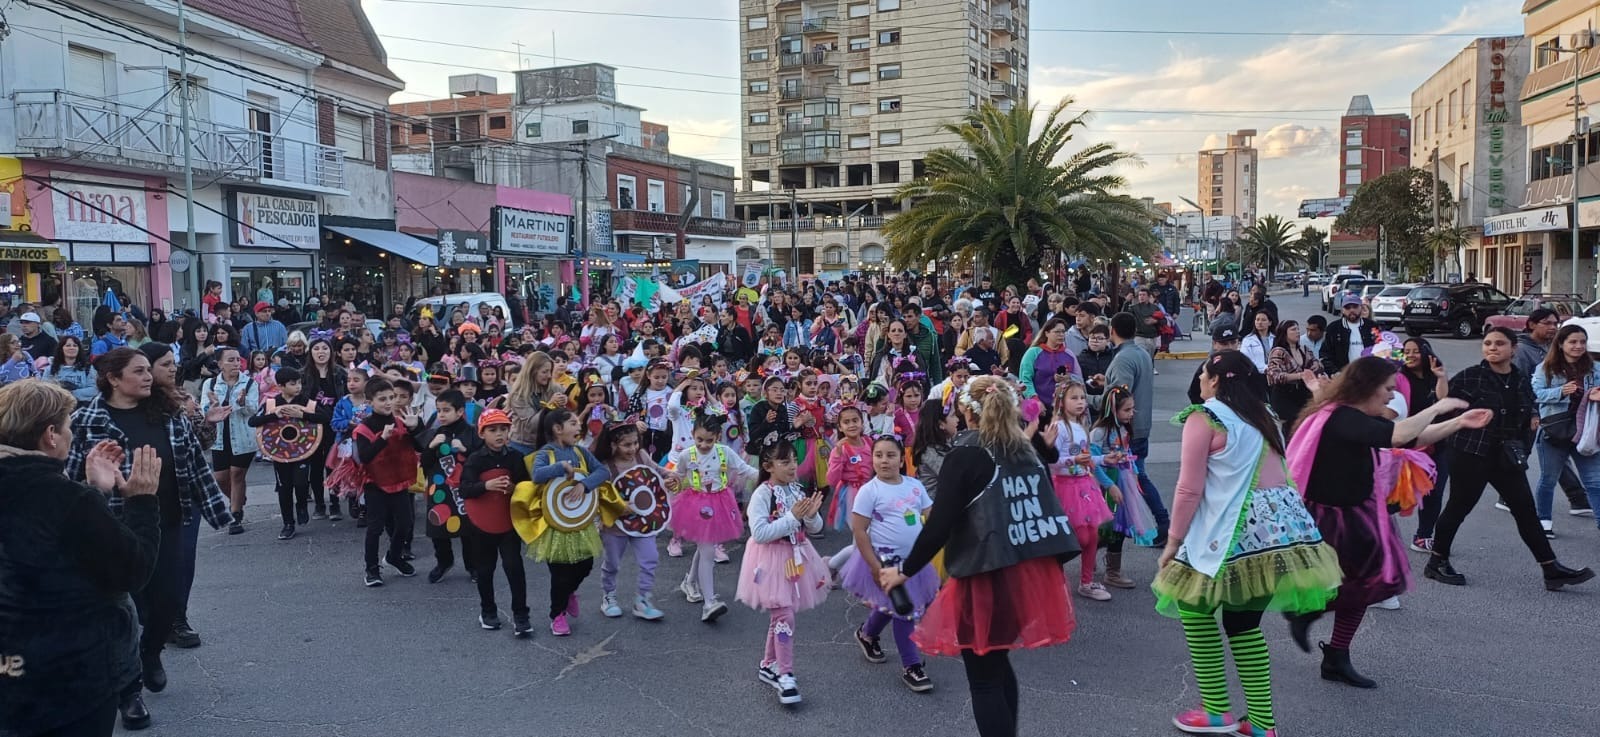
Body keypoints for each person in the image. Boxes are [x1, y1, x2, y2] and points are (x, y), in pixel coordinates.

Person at [878, 375, 1078, 737]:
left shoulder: (966, 454)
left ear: (967, 413)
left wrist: (903, 572)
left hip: (986, 574)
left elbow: (940, 523)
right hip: (1028, 573)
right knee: (998, 664)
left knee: (984, 678)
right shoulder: (1024, 449)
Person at [1154, 351, 1341, 737]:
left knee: (1192, 608)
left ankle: (1217, 710)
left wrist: (1173, 542)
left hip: (1230, 532)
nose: (1201, 381)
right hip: (1280, 536)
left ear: (1217, 380)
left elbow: (1189, 488)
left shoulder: (1204, 416)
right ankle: (1260, 724)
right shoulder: (1263, 415)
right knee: (1243, 625)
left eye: (1204, 374)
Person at [1285, 356, 1498, 688]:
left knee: (1369, 584)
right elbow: (1399, 435)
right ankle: (1310, 619)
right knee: (1359, 583)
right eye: (1386, 389)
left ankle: (1335, 654)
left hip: (1357, 511)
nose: (1389, 396)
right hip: (1329, 518)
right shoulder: (1339, 417)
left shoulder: (1352, 416)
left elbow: (1409, 436)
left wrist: (1458, 423)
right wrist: (1439, 407)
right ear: (1366, 387)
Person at [66, 348, 232, 730]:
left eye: (148, 370)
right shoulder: (87, 419)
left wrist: (217, 510)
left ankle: (151, 650)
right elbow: (70, 479)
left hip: (169, 519)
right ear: (112, 377)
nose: (148, 377)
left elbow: (193, 462)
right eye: (138, 371)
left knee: (168, 601)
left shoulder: (169, 413)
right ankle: (129, 692)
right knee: (126, 611)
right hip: (115, 528)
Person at [0, 380, 165, 736]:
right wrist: (141, 501)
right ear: (50, 435)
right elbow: (132, 570)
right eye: (68, 427)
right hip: (67, 676)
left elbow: (45, 547)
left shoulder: (66, 498)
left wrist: (94, 492)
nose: (71, 435)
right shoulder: (63, 498)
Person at [1424, 327, 1595, 591]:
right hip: (1470, 453)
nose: (1492, 348)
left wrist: (1528, 433)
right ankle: (1437, 562)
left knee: (1526, 511)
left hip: (1505, 456)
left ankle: (1551, 568)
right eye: (1488, 343)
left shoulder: (1518, 378)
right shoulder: (1473, 377)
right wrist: (1442, 383)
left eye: (1499, 344)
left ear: (1513, 349)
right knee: (1460, 506)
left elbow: (1526, 412)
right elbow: (1441, 407)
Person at [841, 435, 938, 692]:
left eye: (890, 455)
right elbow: (860, 532)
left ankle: (867, 634)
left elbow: (932, 516)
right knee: (905, 612)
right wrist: (874, 567)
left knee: (894, 605)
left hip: (914, 562)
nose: (884, 461)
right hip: (886, 562)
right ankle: (911, 666)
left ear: (901, 458)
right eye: (878, 455)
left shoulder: (914, 486)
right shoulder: (869, 491)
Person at [736, 441, 830, 706]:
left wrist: (810, 516)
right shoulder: (762, 494)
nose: (792, 466)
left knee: (780, 612)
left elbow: (814, 527)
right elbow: (760, 533)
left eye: (793, 460)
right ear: (768, 466)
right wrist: (791, 517)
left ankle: (768, 664)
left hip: (796, 558)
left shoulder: (796, 489)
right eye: (784, 461)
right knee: (784, 613)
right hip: (769, 560)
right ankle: (786, 674)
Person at [524, 408, 614, 636]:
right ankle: (557, 615)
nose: (578, 427)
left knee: (585, 565)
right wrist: (559, 468)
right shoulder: (546, 452)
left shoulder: (581, 452)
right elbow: (537, 475)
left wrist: (585, 485)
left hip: (580, 522)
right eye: (573, 423)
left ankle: (570, 592)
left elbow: (602, 472)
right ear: (557, 429)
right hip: (554, 525)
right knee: (560, 573)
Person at [671, 414, 758, 623]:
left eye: (709, 440)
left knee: (705, 547)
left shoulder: (725, 452)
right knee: (708, 550)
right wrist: (671, 483)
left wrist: (771, 478)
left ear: (718, 437)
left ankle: (690, 581)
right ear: (692, 435)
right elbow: (677, 476)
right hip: (695, 506)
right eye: (699, 439)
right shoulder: (686, 455)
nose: (703, 444)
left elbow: (745, 470)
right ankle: (709, 602)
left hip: (719, 503)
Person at [1510, 310, 1594, 519]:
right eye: (1547, 323)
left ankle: (1578, 499)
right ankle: (1518, 502)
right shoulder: (1528, 355)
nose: (1552, 327)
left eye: (1555, 323)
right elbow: (1525, 387)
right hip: (1545, 420)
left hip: (1578, 426)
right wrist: (1533, 411)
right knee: (1536, 464)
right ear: (1531, 324)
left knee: (1582, 474)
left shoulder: (1591, 368)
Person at [459, 408, 533, 636]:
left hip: (508, 522)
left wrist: (515, 488)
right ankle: (488, 610)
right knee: (485, 569)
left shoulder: (515, 457)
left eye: (503, 429)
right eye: (492, 430)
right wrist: (485, 486)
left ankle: (521, 614)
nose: (499, 434)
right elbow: (464, 490)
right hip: (481, 524)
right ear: (482, 434)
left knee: (514, 568)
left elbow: (526, 486)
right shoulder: (475, 459)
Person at [1044, 379, 1118, 600]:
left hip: (1085, 487)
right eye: (1074, 398)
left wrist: (1104, 458)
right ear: (1061, 401)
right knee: (1077, 537)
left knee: (1092, 535)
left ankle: (1086, 582)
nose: (1080, 402)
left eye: (1082, 398)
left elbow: (1086, 458)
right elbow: (1052, 462)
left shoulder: (1082, 425)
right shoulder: (1059, 427)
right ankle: (1054, 581)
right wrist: (1074, 459)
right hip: (1065, 488)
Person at [1102, 312, 1170, 545]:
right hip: (1140, 425)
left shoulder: (1123, 358)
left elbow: (1119, 397)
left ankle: (1161, 524)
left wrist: (1091, 398)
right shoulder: (1140, 352)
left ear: (1112, 330)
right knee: (1137, 477)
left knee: (1138, 478)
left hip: (1129, 429)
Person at [1528, 325, 1600, 537]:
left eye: (1582, 342)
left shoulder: (1594, 368)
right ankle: (1544, 521)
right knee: (1548, 479)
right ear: (1561, 344)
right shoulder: (1546, 368)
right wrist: (1560, 391)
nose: (1578, 346)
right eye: (1572, 342)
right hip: (1555, 431)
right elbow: (1534, 393)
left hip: (1586, 431)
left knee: (1594, 481)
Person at [353, 376, 424, 587]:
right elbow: (364, 457)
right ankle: (372, 569)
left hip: (400, 481)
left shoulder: (402, 421)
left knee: (405, 523)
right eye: (382, 398)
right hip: (375, 483)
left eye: (391, 397)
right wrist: (381, 439)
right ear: (369, 402)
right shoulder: (363, 428)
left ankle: (394, 556)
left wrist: (415, 428)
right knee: (375, 527)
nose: (388, 402)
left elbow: (420, 447)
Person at [247, 367, 329, 541]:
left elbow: (325, 417)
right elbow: (253, 421)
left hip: (303, 452)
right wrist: (272, 416)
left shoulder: (307, 402)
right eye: (293, 384)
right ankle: (288, 523)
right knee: (284, 488)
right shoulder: (271, 403)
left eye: (299, 383)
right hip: (280, 454)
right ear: (281, 386)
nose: (298, 386)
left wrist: (303, 414)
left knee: (300, 483)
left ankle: (301, 505)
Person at [199, 347, 258, 534]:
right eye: (230, 360)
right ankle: (238, 499)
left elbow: (254, 409)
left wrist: (243, 403)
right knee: (221, 478)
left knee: (237, 473)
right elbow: (203, 409)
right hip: (219, 437)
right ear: (220, 364)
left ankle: (236, 514)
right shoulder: (210, 383)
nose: (235, 364)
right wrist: (212, 406)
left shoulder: (249, 383)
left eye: (237, 360)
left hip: (243, 436)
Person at [1264, 320, 1325, 439]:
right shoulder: (1278, 351)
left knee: (1309, 420)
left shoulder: (1304, 349)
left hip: (1302, 393)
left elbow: (1318, 365)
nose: (1297, 332)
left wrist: (1315, 369)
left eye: (1298, 329)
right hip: (1285, 395)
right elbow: (1274, 375)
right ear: (1284, 333)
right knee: (1294, 424)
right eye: (1293, 329)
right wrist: (1299, 375)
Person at [1018, 318, 1082, 403]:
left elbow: (1080, 380)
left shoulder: (1069, 354)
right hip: (1038, 405)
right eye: (1057, 332)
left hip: (1064, 407)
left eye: (1063, 332)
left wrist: (1068, 378)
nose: (1061, 335)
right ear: (1047, 333)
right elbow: (1025, 379)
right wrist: (1034, 399)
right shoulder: (1033, 353)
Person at [1320, 295, 1378, 374]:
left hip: (1369, 376)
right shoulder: (1333, 328)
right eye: (1347, 307)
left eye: (1355, 306)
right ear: (1342, 310)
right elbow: (1325, 354)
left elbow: (1382, 350)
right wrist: (1335, 373)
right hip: (1344, 377)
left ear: (1361, 307)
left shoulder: (1371, 326)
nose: (1351, 310)